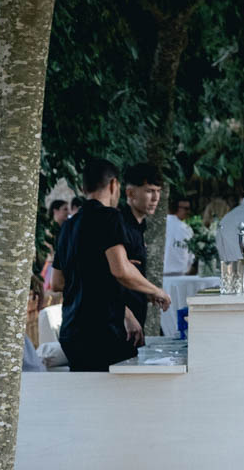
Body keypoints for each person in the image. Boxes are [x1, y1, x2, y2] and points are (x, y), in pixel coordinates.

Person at [53, 158, 170, 372]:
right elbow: (121, 270)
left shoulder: (68, 226)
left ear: (83, 188)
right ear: (114, 185)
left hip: (72, 330)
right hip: (103, 330)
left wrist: (98, 271)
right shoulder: (110, 217)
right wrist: (156, 290)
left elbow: (57, 282)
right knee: (119, 391)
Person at [117, 162, 162, 334]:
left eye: (158, 191)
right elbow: (112, 276)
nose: (155, 198)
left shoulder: (140, 226)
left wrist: (146, 291)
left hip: (137, 315)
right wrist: (125, 314)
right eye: (149, 191)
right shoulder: (119, 225)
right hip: (119, 320)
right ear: (130, 193)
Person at [164, 195, 196, 275]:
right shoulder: (186, 229)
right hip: (180, 273)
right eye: (186, 209)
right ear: (176, 208)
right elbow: (191, 256)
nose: (188, 212)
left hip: (165, 272)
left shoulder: (161, 224)